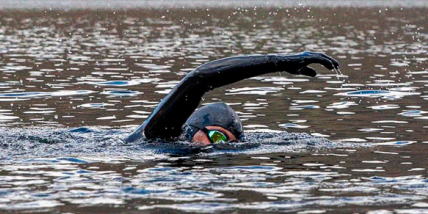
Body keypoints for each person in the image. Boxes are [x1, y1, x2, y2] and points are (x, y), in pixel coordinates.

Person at [126, 51, 340, 145]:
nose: (217, 148)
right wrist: (278, 62)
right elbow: (198, 80)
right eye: (217, 138)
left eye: (228, 143)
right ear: (194, 130)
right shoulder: (156, 134)